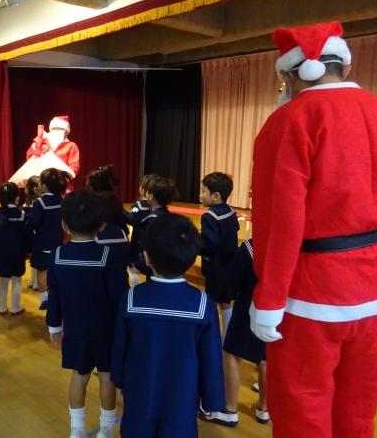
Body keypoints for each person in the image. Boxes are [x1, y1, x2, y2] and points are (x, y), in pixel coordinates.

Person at [250, 21, 377, 438]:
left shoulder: (288, 121)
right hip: (375, 291)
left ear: (291, 76)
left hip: (311, 294)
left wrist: (269, 298)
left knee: (302, 410)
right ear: (345, 66)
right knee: (358, 411)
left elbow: (280, 222)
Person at [111, 213, 225, 437]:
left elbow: (120, 346)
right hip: (182, 399)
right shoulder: (203, 304)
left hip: (140, 393)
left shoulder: (132, 298)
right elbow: (211, 357)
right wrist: (212, 400)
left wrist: (119, 379)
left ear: (147, 257)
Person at [46, 191, 128, 438]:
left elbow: (54, 294)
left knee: (79, 375)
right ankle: (106, 429)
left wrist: (54, 325)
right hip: (106, 330)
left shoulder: (57, 255)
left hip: (75, 330)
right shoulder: (108, 256)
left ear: (64, 225)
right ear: (102, 225)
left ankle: (77, 429)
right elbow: (120, 296)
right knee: (107, 376)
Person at [201, 239, 268, 428]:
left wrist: (225, 295)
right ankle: (263, 408)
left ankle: (229, 409)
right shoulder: (292, 245)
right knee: (266, 357)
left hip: (249, 307)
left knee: (230, 353)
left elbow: (232, 281)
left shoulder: (251, 248)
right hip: (281, 309)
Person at [199, 172, 239, 339]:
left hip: (215, 267)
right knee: (225, 302)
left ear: (215, 196)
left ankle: (216, 337)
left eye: (203, 191)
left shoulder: (209, 216)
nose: (200, 195)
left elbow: (210, 244)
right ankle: (227, 336)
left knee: (214, 301)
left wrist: (194, 244)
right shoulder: (230, 211)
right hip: (230, 263)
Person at [28, 168, 67, 310]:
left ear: (45, 185)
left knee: (41, 271)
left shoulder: (40, 202)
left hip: (42, 243)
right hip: (58, 242)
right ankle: (56, 296)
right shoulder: (62, 200)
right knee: (55, 270)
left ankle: (44, 299)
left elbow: (33, 222)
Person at [10, 116, 80, 188]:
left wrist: (61, 181)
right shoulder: (41, 143)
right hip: (41, 185)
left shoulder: (71, 146)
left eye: (60, 129)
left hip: (62, 186)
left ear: (66, 132)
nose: (56, 132)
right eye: (54, 129)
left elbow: (73, 167)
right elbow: (29, 157)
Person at [0, 182, 29, 315]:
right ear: (17, 198)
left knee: (3, 281)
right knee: (16, 280)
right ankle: (15, 307)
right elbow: (26, 234)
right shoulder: (22, 214)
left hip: (1, 253)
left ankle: (2, 307)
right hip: (18, 253)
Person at [130, 175, 176, 277]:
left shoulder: (151, 220)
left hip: (152, 263)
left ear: (150, 196)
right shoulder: (168, 215)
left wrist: (139, 265)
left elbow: (148, 247)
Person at [24, 175, 41, 291]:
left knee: (33, 258)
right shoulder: (39, 203)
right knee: (38, 259)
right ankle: (36, 282)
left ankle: (32, 280)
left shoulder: (26, 203)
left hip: (29, 235)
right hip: (38, 233)